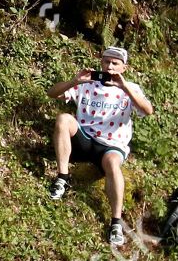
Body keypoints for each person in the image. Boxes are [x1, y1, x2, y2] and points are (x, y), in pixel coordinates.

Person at [45, 46, 154, 247]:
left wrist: (124, 88)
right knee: (63, 119)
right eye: (106, 62)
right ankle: (62, 178)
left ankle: (115, 222)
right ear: (101, 62)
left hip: (111, 146)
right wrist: (75, 81)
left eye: (115, 63)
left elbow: (148, 111)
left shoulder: (131, 88)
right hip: (85, 139)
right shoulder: (88, 83)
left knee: (113, 163)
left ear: (124, 67)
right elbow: (51, 93)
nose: (110, 66)